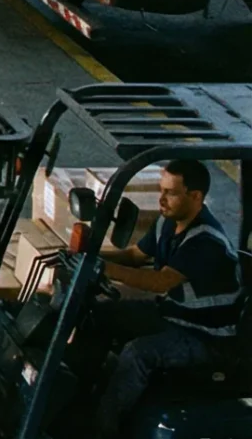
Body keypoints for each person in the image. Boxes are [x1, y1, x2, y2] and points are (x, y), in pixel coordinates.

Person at [90, 158, 239, 436]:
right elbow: (135, 255)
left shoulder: (206, 241)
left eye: (170, 193)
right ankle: (84, 393)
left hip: (206, 337)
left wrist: (103, 268)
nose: (161, 199)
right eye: (161, 190)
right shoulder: (168, 223)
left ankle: (103, 429)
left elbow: (159, 282)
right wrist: (88, 255)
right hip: (173, 315)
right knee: (98, 314)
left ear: (196, 196)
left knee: (138, 353)